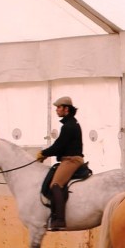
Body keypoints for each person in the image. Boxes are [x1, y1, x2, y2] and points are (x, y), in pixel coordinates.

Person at [36, 96, 84, 231]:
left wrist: (43, 153)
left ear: (66, 109)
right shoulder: (70, 124)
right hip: (67, 159)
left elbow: (59, 146)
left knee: (55, 184)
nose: (56, 110)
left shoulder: (69, 126)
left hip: (71, 160)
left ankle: (60, 219)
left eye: (59, 107)